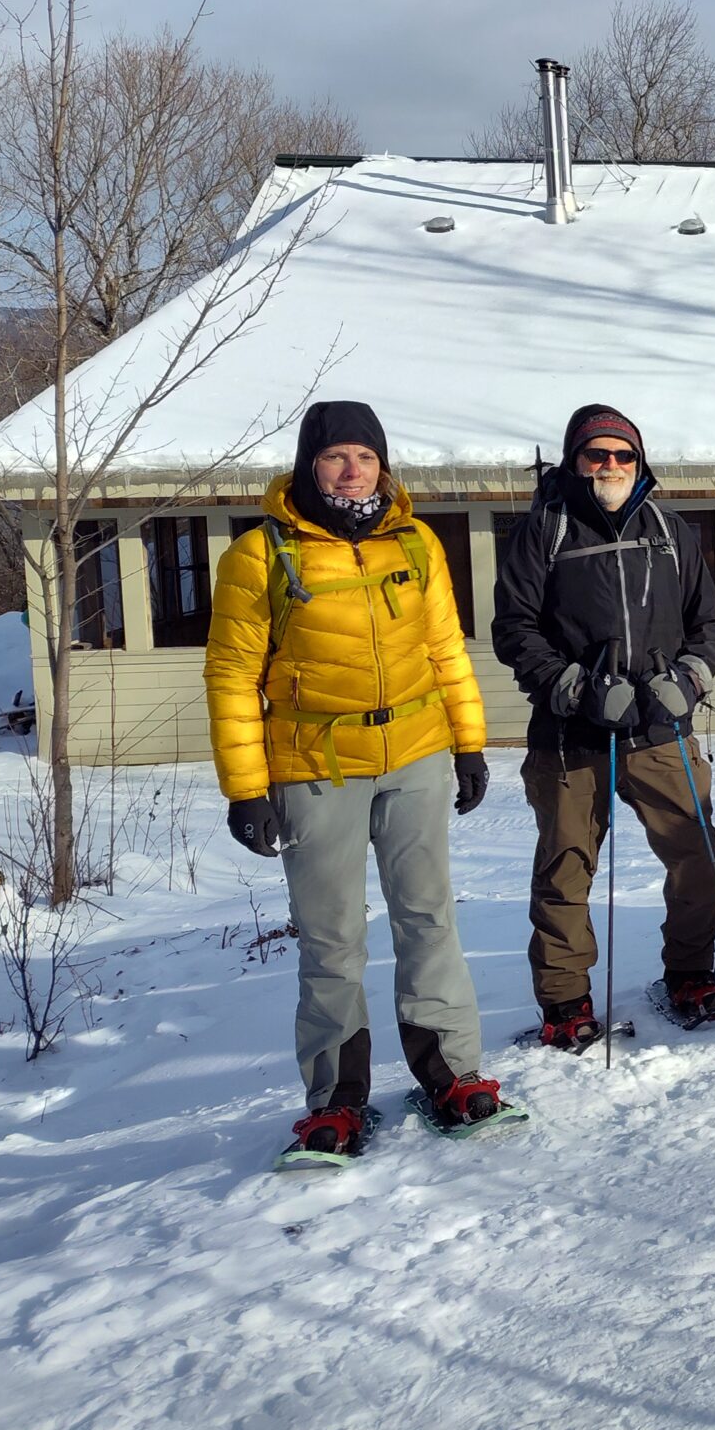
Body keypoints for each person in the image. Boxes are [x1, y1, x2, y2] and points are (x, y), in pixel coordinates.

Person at [203, 400, 504, 1162]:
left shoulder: (416, 541)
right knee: (333, 941)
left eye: (364, 457)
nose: (351, 470)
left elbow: (446, 649)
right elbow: (232, 676)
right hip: (315, 768)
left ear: (382, 465)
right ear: (309, 465)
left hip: (416, 756)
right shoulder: (260, 555)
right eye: (336, 456)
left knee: (429, 918)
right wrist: (245, 789)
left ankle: (452, 1072)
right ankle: (335, 1100)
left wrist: (468, 743)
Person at [491, 404, 715, 1046]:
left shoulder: (670, 528)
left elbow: (709, 625)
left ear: (639, 462)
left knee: (699, 856)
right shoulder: (544, 529)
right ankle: (567, 1002)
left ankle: (689, 973)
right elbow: (513, 629)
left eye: (623, 456)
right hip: (572, 737)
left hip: (659, 731)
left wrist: (687, 680)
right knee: (567, 869)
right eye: (597, 454)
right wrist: (571, 687)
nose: (611, 466)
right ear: (575, 460)